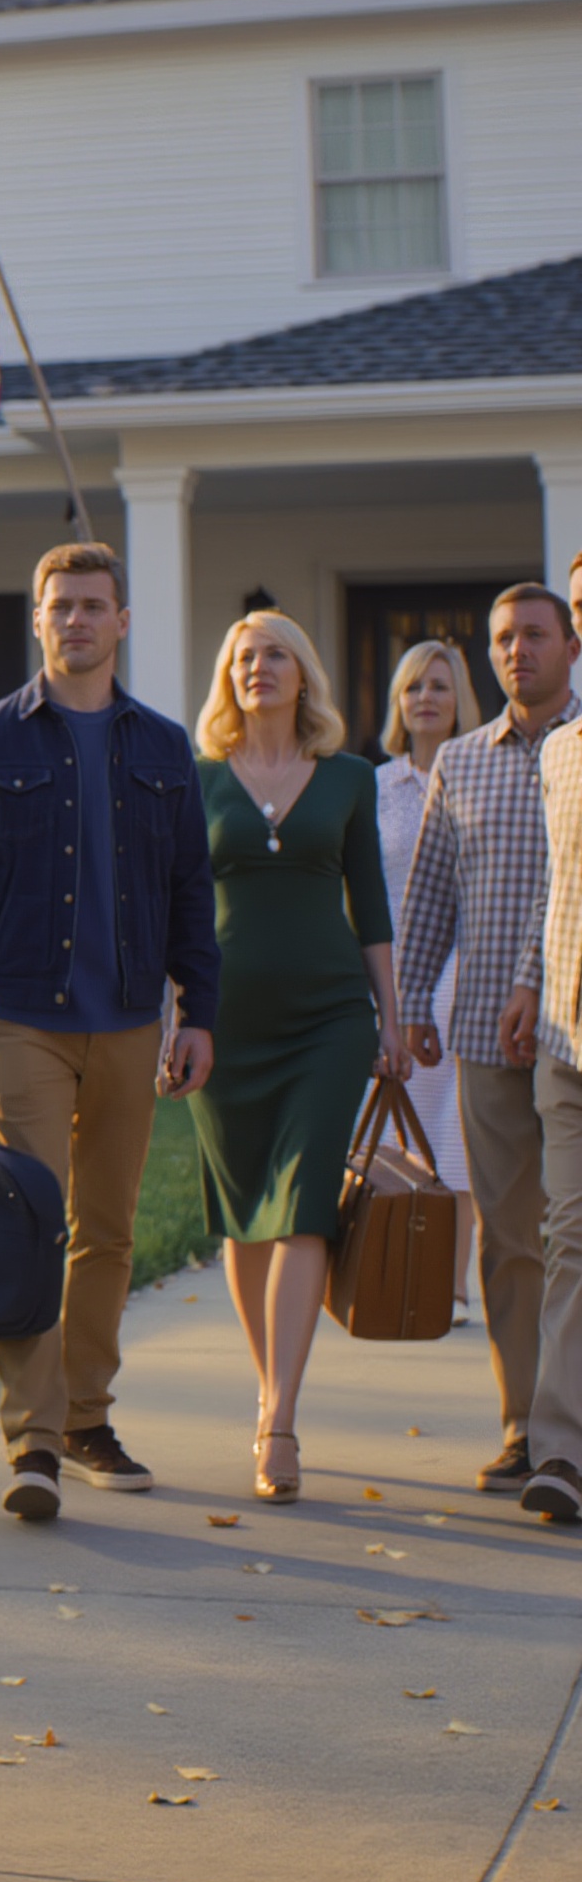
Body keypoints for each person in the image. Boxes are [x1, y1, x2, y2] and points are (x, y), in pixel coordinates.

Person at [0, 541, 219, 1524]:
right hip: (20, 1022)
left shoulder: (164, 748)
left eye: (93, 604)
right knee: (29, 1224)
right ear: (38, 619)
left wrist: (196, 1009)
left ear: (121, 620)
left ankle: (86, 1415)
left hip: (130, 1019)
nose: (76, 619)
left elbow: (187, 892)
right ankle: (32, 1438)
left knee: (108, 1232)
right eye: (60, 605)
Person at [189, 611, 409, 1504]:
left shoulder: (350, 777)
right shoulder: (195, 781)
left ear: (303, 671)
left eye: (275, 653)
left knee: (306, 1209)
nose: (258, 668)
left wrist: (391, 1022)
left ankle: (280, 1422)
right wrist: (178, 1014)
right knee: (247, 1216)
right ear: (228, 678)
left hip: (329, 1020)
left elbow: (375, 911)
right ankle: (270, 1387)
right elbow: (179, 909)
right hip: (228, 1022)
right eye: (243, 658)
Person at [399, 584, 581, 1495]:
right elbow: (430, 889)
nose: (517, 651)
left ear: (571, 646)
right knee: (509, 1238)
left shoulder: (579, 751)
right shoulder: (461, 764)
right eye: (504, 638)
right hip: (481, 1032)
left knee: (573, 1234)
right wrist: (412, 1003)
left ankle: (566, 1427)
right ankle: (525, 1425)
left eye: (535, 635)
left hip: (569, 1025)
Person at [499, 555, 582, 1525]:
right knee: (566, 1238)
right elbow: (554, 886)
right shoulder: (559, 751)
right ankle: (556, 1447)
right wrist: (527, 978)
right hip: (566, 1032)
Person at [375, 640, 481, 1325]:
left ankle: (455, 1283)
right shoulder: (373, 785)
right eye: (413, 687)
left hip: (460, 973)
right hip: (387, 974)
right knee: (387, 1128)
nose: (426, 698)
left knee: (454, 1135)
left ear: (458, 698)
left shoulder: (479, 772)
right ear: (399, 703)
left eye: (439, 686)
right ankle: (386, 1269)